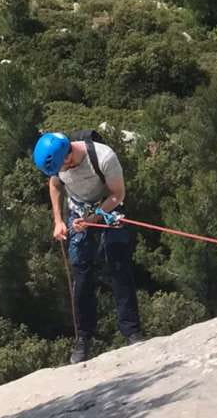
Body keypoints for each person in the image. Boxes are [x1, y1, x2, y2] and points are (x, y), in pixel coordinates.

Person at [33, 132, 144, 364]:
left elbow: (118, 194)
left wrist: (94, 219)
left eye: (64, 166)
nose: (63, 172)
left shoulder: (104, 157)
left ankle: (132, 331)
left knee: (117, 263)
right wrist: (58, 221)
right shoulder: (59, 166)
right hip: (79, 212)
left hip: (109, 206)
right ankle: (83, 339)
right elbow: (54, 186)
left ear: (68, 155)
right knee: (81, 273)